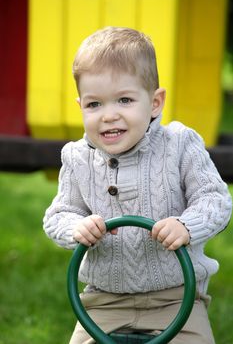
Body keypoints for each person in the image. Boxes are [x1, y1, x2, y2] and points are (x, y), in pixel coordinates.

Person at [43, 26, 232, 344]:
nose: (108, 115)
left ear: (155, 102)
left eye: (124, 100)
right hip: (104, 302)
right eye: (94, 105)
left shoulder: (180, 145)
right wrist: (77, 227)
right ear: (80, 107)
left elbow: (216, 199)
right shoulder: (77, 157)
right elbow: (57, 215)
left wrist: (187, 225)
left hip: (176, 299)